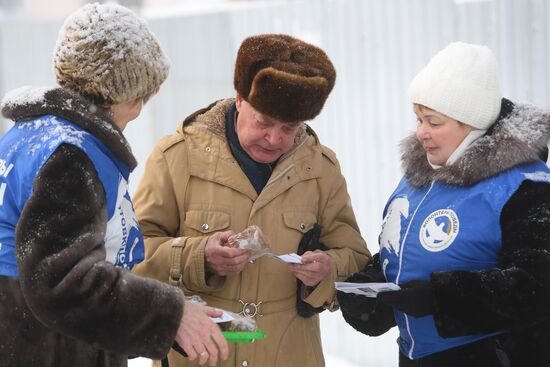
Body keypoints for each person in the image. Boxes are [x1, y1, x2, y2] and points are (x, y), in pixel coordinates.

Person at [0, 4, 228, 367]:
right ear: (131, 98)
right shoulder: (70, 156)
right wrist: (171, 316)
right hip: (49, 350)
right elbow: (60, 283)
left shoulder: (31, 136)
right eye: (141, 95)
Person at [131, 34, 371, 367]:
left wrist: (328, 270)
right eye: (264, 122)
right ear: (240, 99)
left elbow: (357, 259)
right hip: (201, 357)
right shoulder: (177, 157)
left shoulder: (321, 170)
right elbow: (130, 256)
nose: (275, 139)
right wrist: (198, 257)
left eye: (289, 128)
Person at [337, 41, 550, 367]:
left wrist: (442, 298)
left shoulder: (525, 187)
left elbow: (536, 286)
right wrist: (371, 291)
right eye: (418, 119)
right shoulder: (420, 177)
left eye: (434, 122)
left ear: (472, 126)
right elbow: (408, 253)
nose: (421, 132)